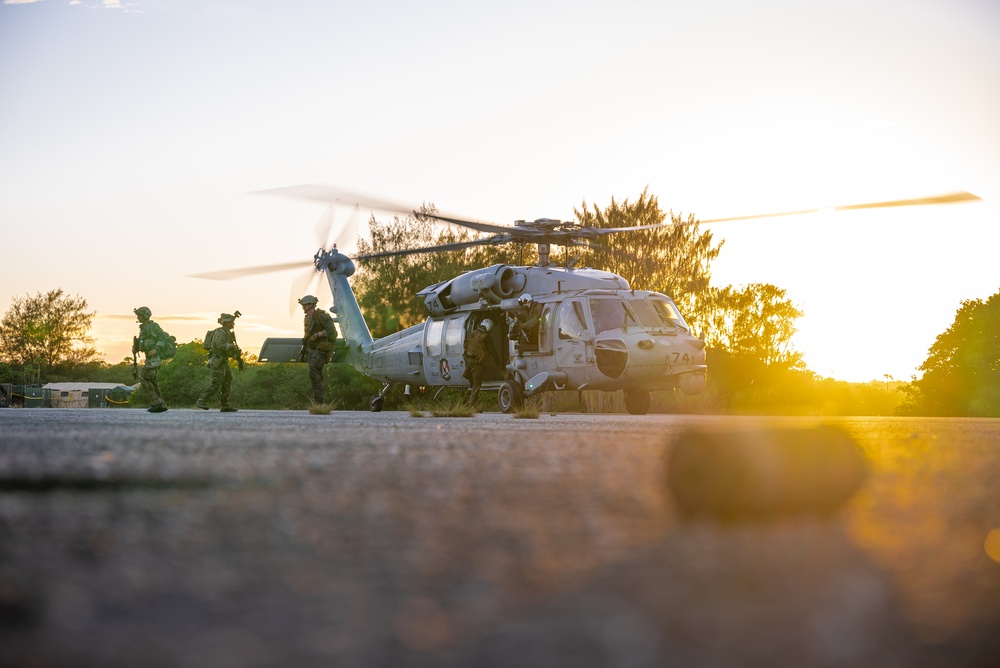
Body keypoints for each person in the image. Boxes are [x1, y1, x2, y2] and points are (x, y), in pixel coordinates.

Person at [196, 312, 242, 412]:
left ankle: (225, 405)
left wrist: (235, 354)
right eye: (231, 322)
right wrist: (230, 346)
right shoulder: (220, 333)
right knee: (216, 382)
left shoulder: (227, 333)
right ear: (226, 323)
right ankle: (201, 400)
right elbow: (218, 345)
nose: (233, 324)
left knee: (227, 380)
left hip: (223, 361)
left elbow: (227, 349)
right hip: (217, 360)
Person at [298, 294, 337, 404]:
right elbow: (307, 336)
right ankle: (319, 403)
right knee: (315, 376)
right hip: (312, 350)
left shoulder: (321, 316)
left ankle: (320, 403)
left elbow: (332, 332)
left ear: (310, 305)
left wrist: (319, 334)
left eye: (304, 305)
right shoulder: (308, 318)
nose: (303, 307)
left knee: (314, 374)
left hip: (321, 350)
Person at [132, 306, 169, 413]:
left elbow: (162, 337)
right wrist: (136, 348)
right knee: (151, 380)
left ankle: (156, 403)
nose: (138, 317)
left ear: (146, 315)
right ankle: (161, 404)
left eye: (140, 315)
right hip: (149, 358)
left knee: (143, 376)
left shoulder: (153, 326)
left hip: (155, 357)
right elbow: (144, 342)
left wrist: (156, 349)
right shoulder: (144, 328)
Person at [462, 318, 499, 406]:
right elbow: (492, 350)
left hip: (467, 358)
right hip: (475, 362)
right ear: (490, 327)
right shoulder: (486, 337)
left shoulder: (474, 332)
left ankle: (467, 373)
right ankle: (472, 406)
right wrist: (497, 360)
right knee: (477, 384)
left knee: (472, 369)